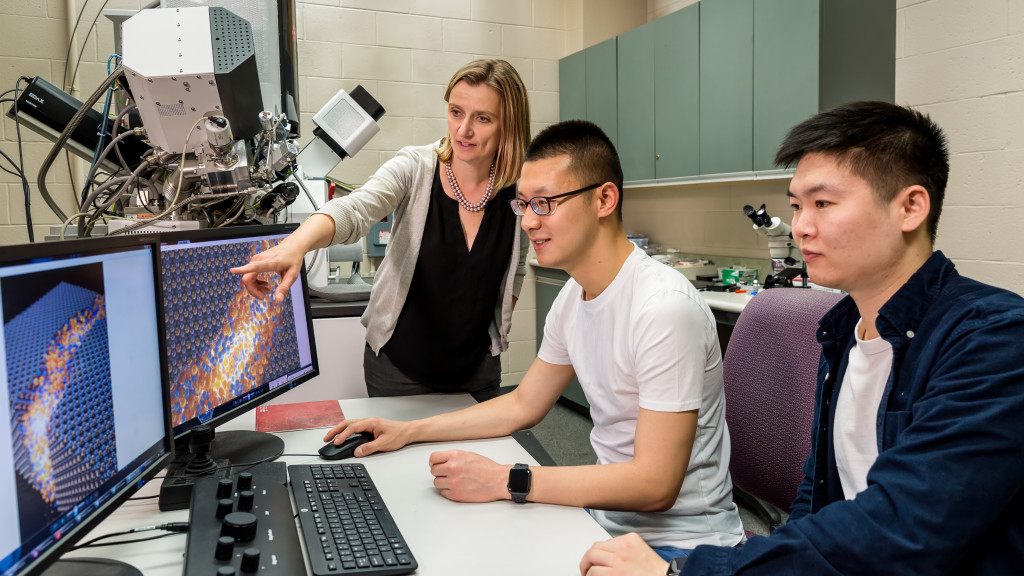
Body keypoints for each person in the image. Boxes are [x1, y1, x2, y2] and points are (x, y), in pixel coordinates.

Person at [579, 101, 1024, 576]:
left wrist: (685, 573)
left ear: (911, 207)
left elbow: (903, 529)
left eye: (823, 203)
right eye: (796, 206)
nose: (802, 226)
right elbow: (818, 502)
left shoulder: (993, 339)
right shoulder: (845, 331)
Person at [324, 120, 744, 558]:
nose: (528, 222)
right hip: (605, 522)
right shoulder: (573, 296)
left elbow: (655, 484)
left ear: (604, 199)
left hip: (686, 548)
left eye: (544, 203)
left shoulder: (663, 308)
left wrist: (507, 479)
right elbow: (523, 404)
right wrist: (408, 431)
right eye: (523, 205)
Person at [232, 59, 531, 402]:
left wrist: (493, 323)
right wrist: (296, 245)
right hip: (399, 370)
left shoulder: (520, 191)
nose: (463, 130)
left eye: (483, 118)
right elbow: (354, 209)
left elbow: (518, 265)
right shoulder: (415, 167)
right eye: (456, 112)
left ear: (509, 125)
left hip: (477, 371)